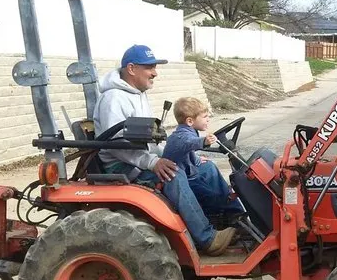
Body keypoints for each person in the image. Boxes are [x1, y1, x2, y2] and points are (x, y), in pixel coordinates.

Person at [92, 44, 237, 256]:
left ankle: (234, 218)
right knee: (173, 175)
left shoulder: (137, 94)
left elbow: (150, 140)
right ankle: (207, 239)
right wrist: (153, 162)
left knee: (206, 169)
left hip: (141, 158)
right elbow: (117, 146)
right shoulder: (113, 99)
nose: (155, 73)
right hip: (125, 165)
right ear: (131, 68)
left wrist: (186, 156)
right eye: (149, 67)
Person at [163, 97, 246, 216]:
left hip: (188, 171)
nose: (208, 119)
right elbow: (189, 142)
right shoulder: (180, 136)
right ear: (190, 121)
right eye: (205, 117)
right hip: (181, 177)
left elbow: (185, 152)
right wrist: (204, 141)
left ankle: (234, 208)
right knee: (210, 196)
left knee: (209, 166)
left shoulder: (190, 131)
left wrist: (196, 159)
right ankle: (221, 215)